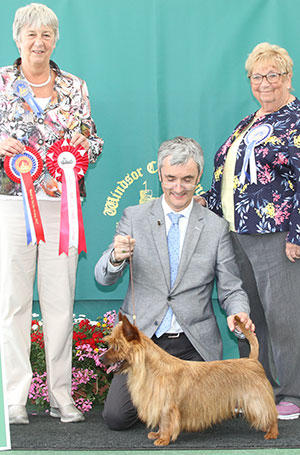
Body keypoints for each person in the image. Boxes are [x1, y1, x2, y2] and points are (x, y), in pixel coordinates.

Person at [94, 136, 254, 430]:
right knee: (117, 418)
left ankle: (167, 407)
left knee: (203, 422)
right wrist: (116, 258)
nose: (178, 188)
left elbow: (231, 288)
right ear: (159, 176)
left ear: (198, 178)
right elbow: (103, 277)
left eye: (187, 179)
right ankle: (162, 405)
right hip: (143, 345)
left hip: (194, 344)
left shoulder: (216, 227)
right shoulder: (135, 216)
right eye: (171, 179)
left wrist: (238, 311)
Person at [0, 3, 103, 424]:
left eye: (46, 35)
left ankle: (62, 396)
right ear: (17, 39)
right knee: (13, 304)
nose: (38, 42)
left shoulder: (76, 87)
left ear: (55, 39)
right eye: (31, 35)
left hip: (62, 208)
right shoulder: (2, 83)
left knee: (60, 303)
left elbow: (93, 143)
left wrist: (76, 157)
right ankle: (14, 399)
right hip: (11, 203)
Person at [199, 42, 300, 420]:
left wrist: (298, 233)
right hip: (236, 233)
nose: (265, 82)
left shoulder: (296, 119)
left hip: (277, 234)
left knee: (286, 316)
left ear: (288, 77)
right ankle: (257, 387)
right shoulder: (248, 122)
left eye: (273, 75)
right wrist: (203, 202)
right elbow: (227, 178)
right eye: (258, 76)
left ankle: (294, 392)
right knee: (249, 316)